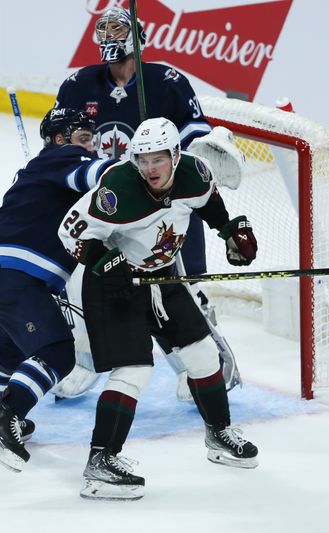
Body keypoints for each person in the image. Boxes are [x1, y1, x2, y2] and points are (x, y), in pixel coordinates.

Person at [58, 118, 260, 501]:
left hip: (160, 277)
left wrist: (231, 230)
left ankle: (219, 434)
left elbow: (210, 204)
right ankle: (100, 462)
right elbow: (70, 234)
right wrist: (106, 263)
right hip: (112, 285)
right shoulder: (119, 189)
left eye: (158, 159)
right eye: (143, 159)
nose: (150, 168)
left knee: (203, 354)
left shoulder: (194, 174)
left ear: (175, 156)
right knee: (135, 369)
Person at [53, 6, 245, 401]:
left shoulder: (167, 81)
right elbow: (60, 138)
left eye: (117, 28)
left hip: (160, 209)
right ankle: (85, 363)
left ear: (136, 36)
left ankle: (207, 365)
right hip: (108, 209)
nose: (108, 35)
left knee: (181, 287)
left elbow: (195, 145)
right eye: (101, 27)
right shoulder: (78, 84)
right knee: (85, 288)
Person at [0, 108, 115, 472]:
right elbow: (101, 175)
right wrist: (143, 166)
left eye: (91, 141)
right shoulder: (64, 157)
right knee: (58, 351)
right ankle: (2, 421)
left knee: (8, 353)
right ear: (60, 139)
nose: (89, 148)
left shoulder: (39, 171)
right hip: (15, 274)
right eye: (82, 139)